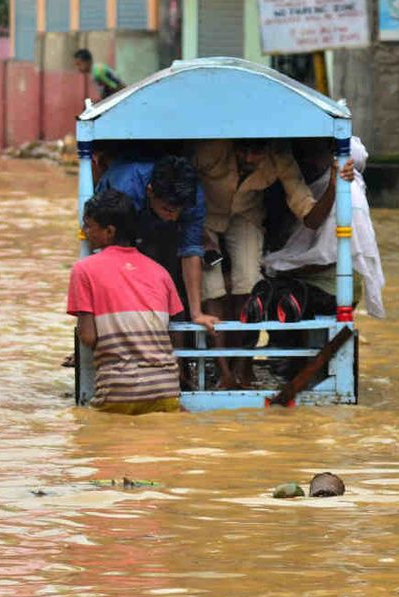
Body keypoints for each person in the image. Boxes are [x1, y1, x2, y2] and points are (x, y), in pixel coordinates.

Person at [191, 139, 331, 386]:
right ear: (233, 145)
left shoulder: (279, 156)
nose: (248, 159)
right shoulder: (209, 149)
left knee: (251, 287)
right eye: (243, 151)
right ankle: (224, 371)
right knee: (211, 289)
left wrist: (335, 184)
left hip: (245, 216)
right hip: (202, 216)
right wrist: (198, 234)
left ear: (267, 149)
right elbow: (185, 186)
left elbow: (309, 215)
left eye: (256, 153)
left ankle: (243, 366)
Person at [67, 190, 184, 414]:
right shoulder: (160, 272)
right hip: (167, 389)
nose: (84, 232)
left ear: (109, 231)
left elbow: (88, 337)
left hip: (118, 391)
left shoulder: (84, 269)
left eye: (89, 226)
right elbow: (173, 331)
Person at [94, 152, 218, 332]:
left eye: (178, 211)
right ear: (150, 191)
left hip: (154, 225)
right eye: (168, 210)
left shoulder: (192, 196)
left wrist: (197, 313)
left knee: (168, 283)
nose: (174, 217)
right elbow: (111, 247)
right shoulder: (126, 189)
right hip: (114, 222)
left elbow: (190, 251)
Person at [263, 137, 384, 320]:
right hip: (309, 278)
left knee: (277, 295)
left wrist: (279, 268)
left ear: (330, 151)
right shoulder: (309, 183)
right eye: (300, 155)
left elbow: (329, 256)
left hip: (332, 286)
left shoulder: (347, 195)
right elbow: (310, 220)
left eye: (313, 154)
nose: (306, 161)